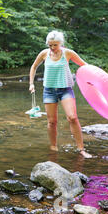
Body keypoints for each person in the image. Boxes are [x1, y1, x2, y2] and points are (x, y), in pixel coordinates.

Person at [29, 30, 92, 158]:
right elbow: (34, 66)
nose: (52, 48)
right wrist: (31, 83)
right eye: (50, 45)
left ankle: (81, 149)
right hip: (49, 91)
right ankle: (53, 147)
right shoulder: (44, 54)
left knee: (72, 117)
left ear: (61, 43)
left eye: (55, 45)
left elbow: (85, 66)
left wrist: (92, 80)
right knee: (52, 122)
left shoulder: (68, 53)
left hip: (65, 90)